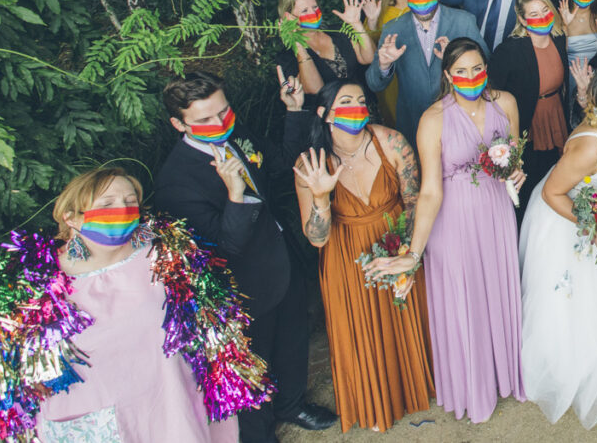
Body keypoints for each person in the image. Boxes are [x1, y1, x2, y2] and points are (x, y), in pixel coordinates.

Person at [155, 71, 336, 442]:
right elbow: (223, 248)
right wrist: (235, 196)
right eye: (204, 119)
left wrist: (295, 111)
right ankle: (258, 434)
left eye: (223, 112)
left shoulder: (236, 134)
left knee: (292, 338)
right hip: (240, 286)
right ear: (178, 123)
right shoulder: (175, 181)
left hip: (279, 258)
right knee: (255, 361)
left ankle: (291, 404)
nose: (219, 122)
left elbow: (281, 163)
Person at [27, 168, 253, 442]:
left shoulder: (164, 254)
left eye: (129, 201)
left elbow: (213, 329)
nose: (122, 209)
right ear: (71, 217)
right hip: (91, 420)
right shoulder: (40, 282)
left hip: (170, 407)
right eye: (107, 204)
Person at [371, 38, 527, 423]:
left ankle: (505, 374)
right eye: (461, 71)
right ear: (447, 75)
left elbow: (513, 154)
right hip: (454, 221)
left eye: (477, 69)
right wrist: (413, 252)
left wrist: (517, 173)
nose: (470, 77)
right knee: (466, 297)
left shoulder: (504, 103)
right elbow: (429, 191)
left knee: (497, 287)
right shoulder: (433, 118)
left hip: (496, 212)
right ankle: (473, 387)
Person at [292, 82, 434, 433]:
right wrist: (322, 198)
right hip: (345, 257)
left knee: (403, 316)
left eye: (360, 100)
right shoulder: (309, 165)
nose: (356, 107)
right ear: (324, 114)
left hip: (395, 239)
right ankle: (376, 400)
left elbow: (415, 201)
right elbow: (317, 238)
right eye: (345, 102)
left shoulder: (392, 142)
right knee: (361, 329)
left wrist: (407, 254)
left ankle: (416, 387)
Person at [518, 65, 597, 428]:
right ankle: (568, 365)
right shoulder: (590, 147)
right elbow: (551, 192)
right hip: (567, 220)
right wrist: (592, 226)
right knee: (572, 298)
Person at [366, 0, 485, 147]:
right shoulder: (393, 29)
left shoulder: (464, 21)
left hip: (461, 122)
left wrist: (457, 58)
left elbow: (487, 64)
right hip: (414, 125)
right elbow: (374, 83)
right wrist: (384, 65)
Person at [489, 0, 570, 213]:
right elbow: (494, 94)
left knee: (556, 177)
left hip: (556, 118)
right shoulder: (509, 50)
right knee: (531, 184)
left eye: (545, 10)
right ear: (523, 20)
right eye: (534, 14)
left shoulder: (559, 38)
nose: (542, 17)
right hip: (528, 124)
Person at [276, 0, 377, 100]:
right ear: (289, 17)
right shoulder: (288, 56)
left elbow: (369, 58)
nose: (313, 13)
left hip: (363, 104)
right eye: (305, 10)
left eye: (315, 7)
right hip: (327, 114)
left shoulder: (338, 31)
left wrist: (356, 24)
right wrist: (298, 46)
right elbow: (315, 89)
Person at [371, 0, 414, 125]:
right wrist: (372, 21)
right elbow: (369, 51)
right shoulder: (380, 11)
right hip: (394, 82)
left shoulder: (425, 7)